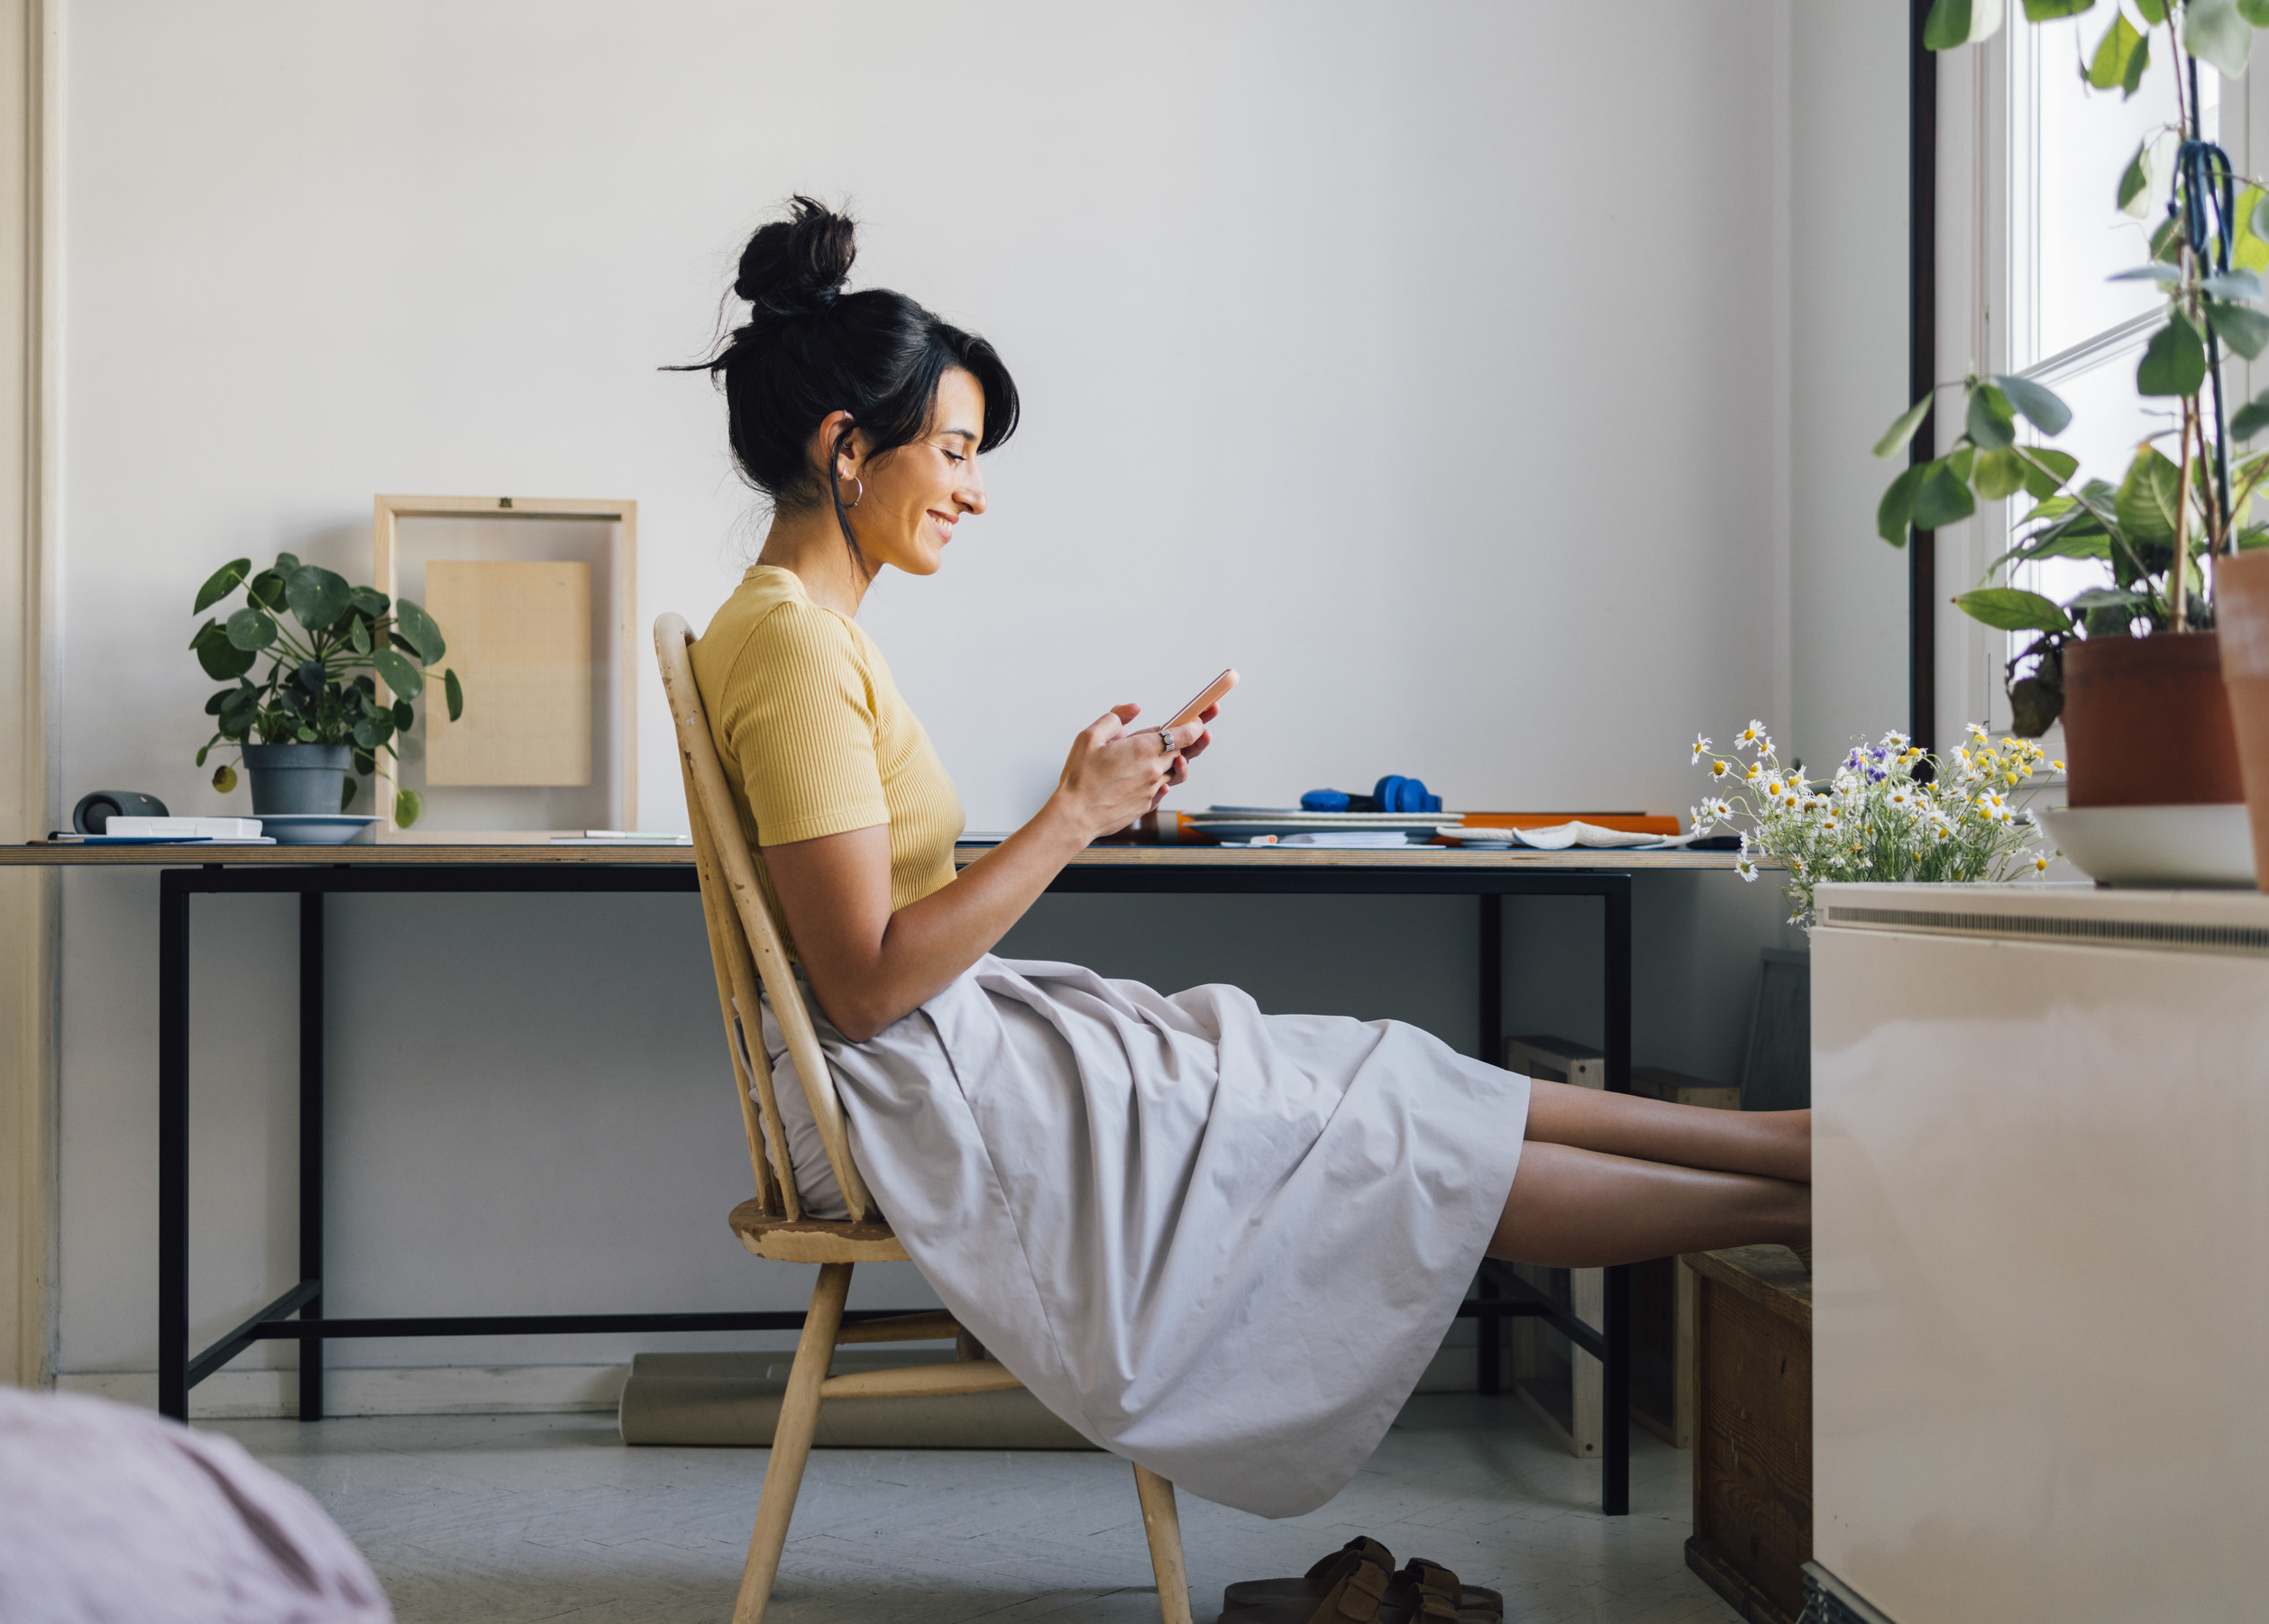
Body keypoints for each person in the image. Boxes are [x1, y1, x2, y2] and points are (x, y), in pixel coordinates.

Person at [675, 197, 1809, 1519]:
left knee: (1386, 1072)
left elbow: (876, 943)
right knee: (1384, 1136)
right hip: (900, 1090)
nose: (976, 489)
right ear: (847, 447)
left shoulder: (805, 631)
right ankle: (1794, 1195)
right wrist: (1071, 818)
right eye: (958, 451)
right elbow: (864, 987)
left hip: (946, 1052)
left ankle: (1790, 1152)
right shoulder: (796, 645)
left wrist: (1088, 792)